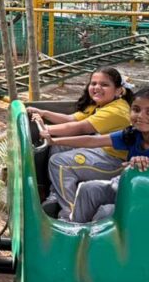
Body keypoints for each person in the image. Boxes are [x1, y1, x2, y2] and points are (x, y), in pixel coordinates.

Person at [45, 88, 149, 222]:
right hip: (130, 188)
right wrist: (54, 141)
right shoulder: (134, 135)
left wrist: (147, 168)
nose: (140, 116)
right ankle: (76, 230)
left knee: (106, 212)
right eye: (136, 110)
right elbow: (93, 141)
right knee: (88, 189)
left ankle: (97, 237)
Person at [27, 67, 133, 220]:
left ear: (119, 91)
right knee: (59, 146)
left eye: (104, 85)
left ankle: (69, 214)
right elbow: (71, 119)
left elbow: (81, 128)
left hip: (115, 162)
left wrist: (46, 129)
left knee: (59, 162)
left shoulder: (116, 111)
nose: (97, 88)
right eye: (93, 83)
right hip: (102, 149)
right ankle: (56, 195)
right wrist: (44, 113)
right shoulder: (100, 104)